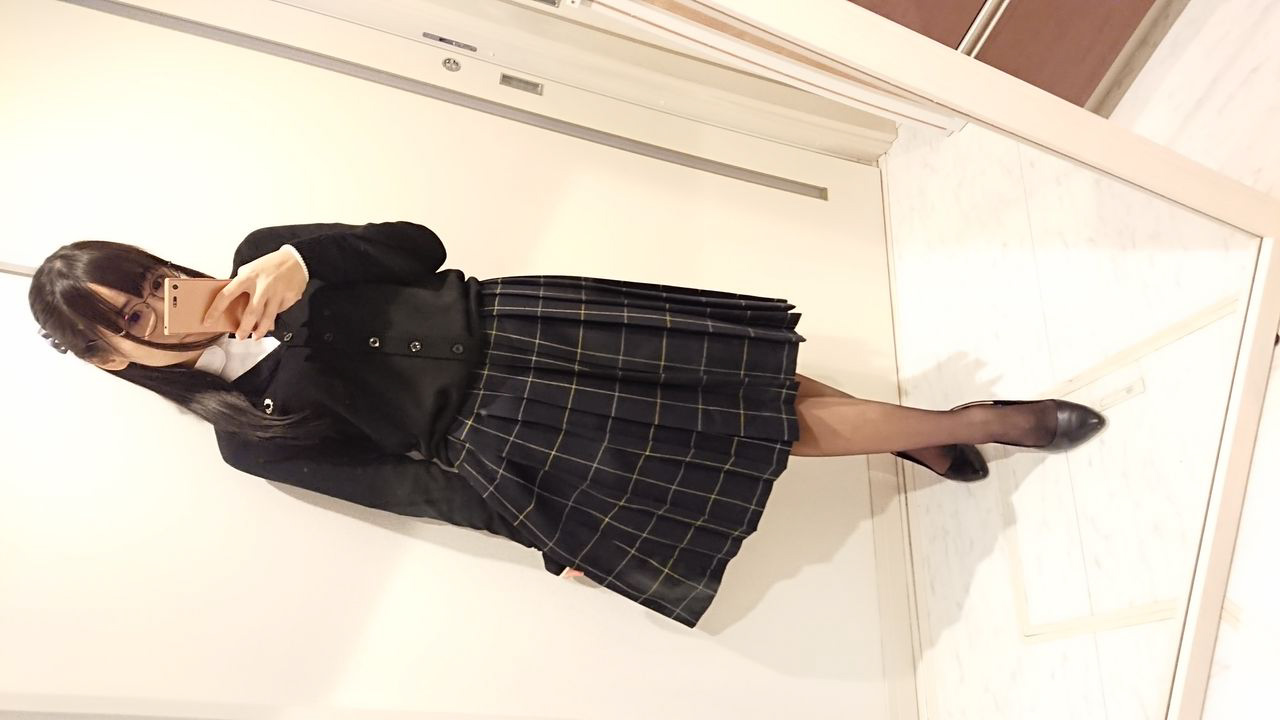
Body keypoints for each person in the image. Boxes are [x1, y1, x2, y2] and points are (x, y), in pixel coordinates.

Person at [28, 220, 1105, 628]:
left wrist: (306, 260)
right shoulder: (246, 433)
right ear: (116, 358)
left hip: (521, 322)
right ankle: (975, 419)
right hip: (512, 432)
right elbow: (410, 483)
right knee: (757, 428)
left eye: (153, 279)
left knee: (744, 376)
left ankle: (927, 429)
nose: (169, 302)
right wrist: (550, 535)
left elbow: (417, 246)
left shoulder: (268, 253)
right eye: (137, 316)